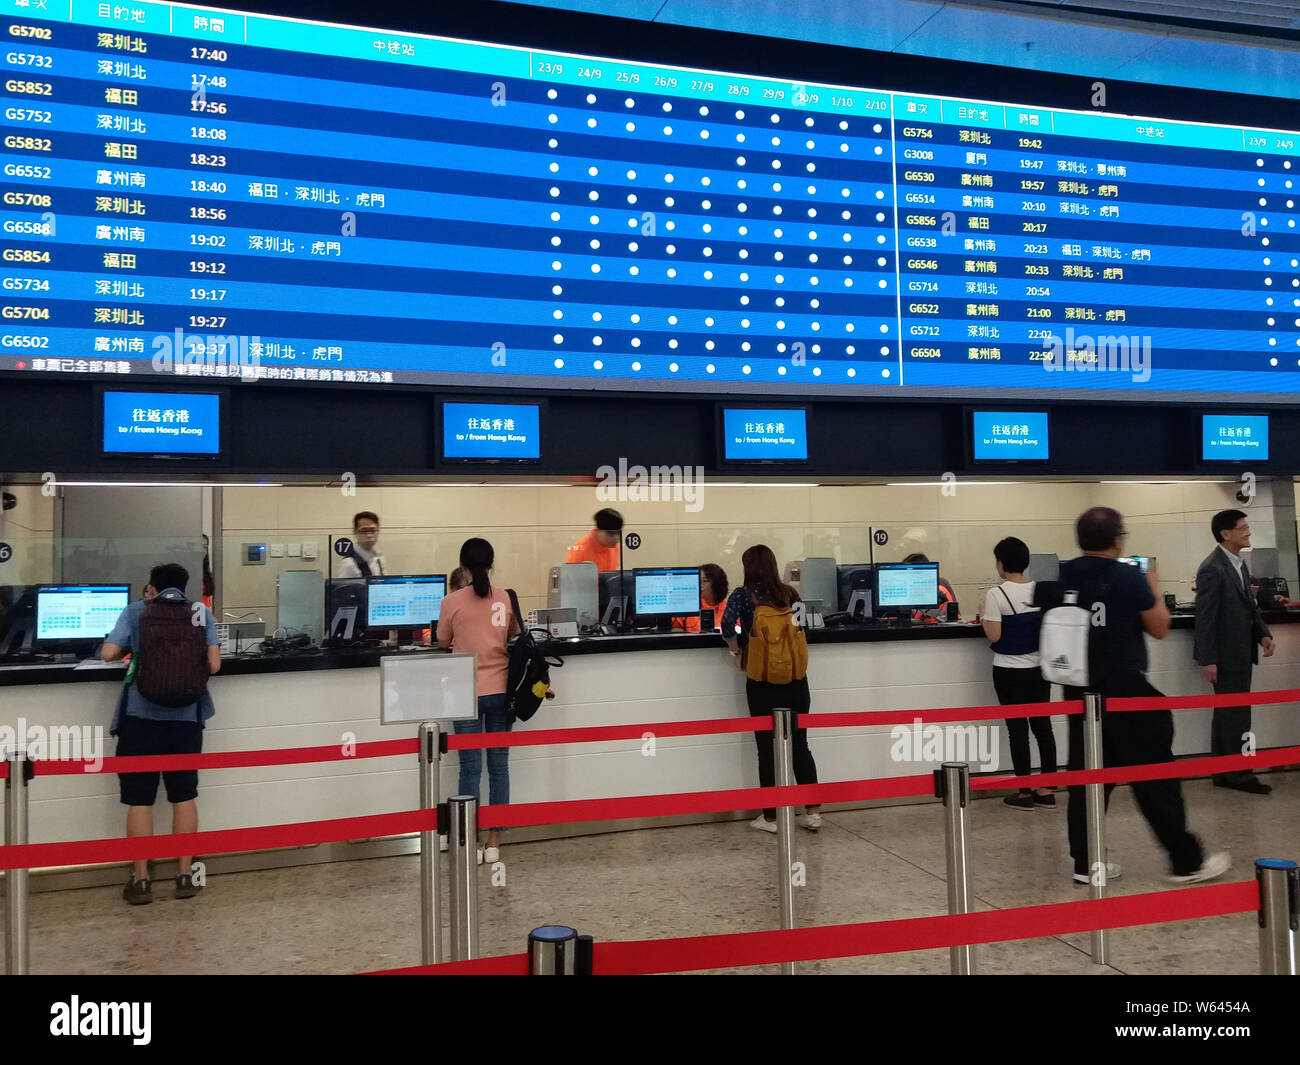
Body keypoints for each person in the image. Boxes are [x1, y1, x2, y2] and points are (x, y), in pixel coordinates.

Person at [1055, 507, 1229, 886]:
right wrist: (1152, 583)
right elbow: (1160, 627)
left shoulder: (1064, 574)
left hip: (1079, 690)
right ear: (1118, 539)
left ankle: (1087, 864)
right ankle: (1186, 862)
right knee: (1154, 777)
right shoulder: (1127, 576)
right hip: (1127, 691)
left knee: (1088, 778)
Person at [101, 563, 221, 905]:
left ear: (151, 587)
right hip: (186, 719)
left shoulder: (137, 611)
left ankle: (140, 880)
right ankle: (184, 874)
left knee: (140, 799)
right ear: (186, 588)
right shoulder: (201, 611)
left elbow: (109, 653)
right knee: (183, 795)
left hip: (140, 719)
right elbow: (214, 665)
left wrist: (132, 651)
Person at [720, 545, 821, 833]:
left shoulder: (742, 595)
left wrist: (736, 651)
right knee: (800, 745)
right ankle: (812, 812)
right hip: (796, 681)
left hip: (762, 683)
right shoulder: (791, 594)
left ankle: (771, 817)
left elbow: (727, 626)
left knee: (766, 749)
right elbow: (807, 630)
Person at [436, 537, 519, 864]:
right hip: (500, 691)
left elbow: (443, 639)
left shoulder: (452, 601)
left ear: (464, 566)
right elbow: (511, 635)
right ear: (491, 564)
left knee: (470, 767)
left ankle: (467, 839)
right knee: (499, 766)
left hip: (464, 692)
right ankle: (494, 841)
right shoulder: (505, 599)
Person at [1193, 509, 1275, 795]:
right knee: (1236, 714)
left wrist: (1262, 633)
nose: (1248, 532)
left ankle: (1224, 772)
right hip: (1226, 655)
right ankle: (1240, 774)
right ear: (1226, 534)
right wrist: (1209, 659)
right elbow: (1205, 617)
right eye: (1243, 528)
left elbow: (1248, 606)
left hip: (1240, 650)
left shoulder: (1238, 564)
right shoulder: (1212, 567)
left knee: (1229, 713)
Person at [981, 537, 1056, 810]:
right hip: (1039, 670)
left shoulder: (996, 594)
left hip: (1009, 671)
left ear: (1001, 564)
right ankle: (1047, 789)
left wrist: (983, 618)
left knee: (1018, 731)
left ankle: (1024, 792)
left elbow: (996, 635)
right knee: (1043, 728)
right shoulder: (1042, 590)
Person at [672, 562, 730, 632]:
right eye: (698, 580)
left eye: (705, 581)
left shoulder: (730, 608)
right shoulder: (689, 606)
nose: (699, 584)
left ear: (717, 583)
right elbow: (672, 628)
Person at [337, 511, 385, 578]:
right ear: (355, 532)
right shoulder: (349, 563)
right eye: (364, 530)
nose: (369, 535)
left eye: (373, 530)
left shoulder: (379, 557)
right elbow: (343, 588)